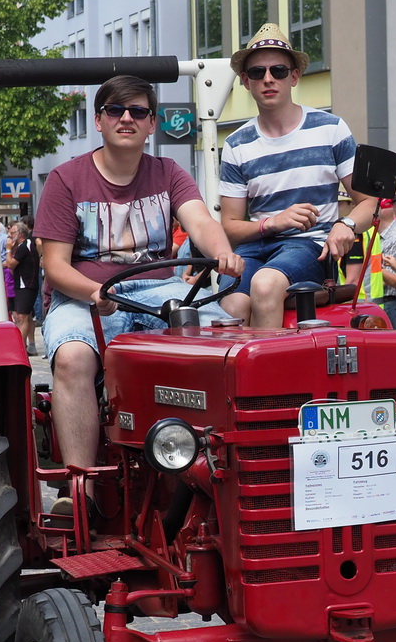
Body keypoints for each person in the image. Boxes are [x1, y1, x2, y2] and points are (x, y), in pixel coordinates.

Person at [36, 75, 243, 471]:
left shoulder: (168, 172)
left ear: (152, 123)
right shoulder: (66, 179)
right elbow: (56, 266)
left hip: (160, 289)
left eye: (138, 111)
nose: (126, 118)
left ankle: (215, 472)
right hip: (85, 297)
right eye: (115, 110)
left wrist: (222, 253)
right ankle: (83, 489)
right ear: (99, 121)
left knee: (229, 344)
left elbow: (200, 221)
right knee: (72, 358)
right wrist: (96, 292)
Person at [218, 23, 375, 328]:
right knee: (231, 304)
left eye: (277, 70)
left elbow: (369, 201)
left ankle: (270, 375)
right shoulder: (236, 142)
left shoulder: (330, 128)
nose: (267, 79)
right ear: (245, 81)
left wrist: (347, 224)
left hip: (308, 247)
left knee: (264, 284)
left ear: (293, 76)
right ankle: (240, 375)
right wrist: (272, 222)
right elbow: (230, 226)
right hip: (254, 248)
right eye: (256, 72)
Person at [5, 219, 40, 354]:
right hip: (22, 283)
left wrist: (8, 250)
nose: (10, 236)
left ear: (20, 233)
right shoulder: (22, 246)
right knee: (27, 315)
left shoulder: (25, 245)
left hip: (26, 284)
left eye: (12, 233)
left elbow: (11, 264)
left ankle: (20, 347)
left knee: (22, 317)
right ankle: (30, 345)